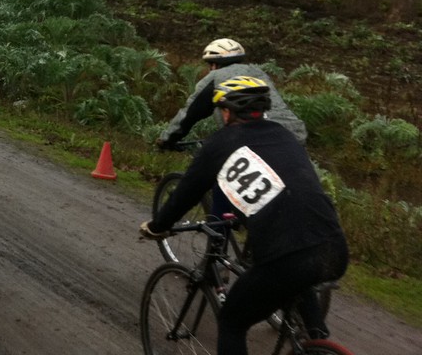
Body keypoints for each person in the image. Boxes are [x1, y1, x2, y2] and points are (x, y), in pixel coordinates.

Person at [141, 77, 348, 353]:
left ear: (227, 113)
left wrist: (157, 226)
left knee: (232, 321)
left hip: (286, 255)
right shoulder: (284, 135)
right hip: (334, 246)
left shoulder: (220, 143)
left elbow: (185, 194)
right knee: (301, 277)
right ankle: (318, 341)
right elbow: (286, 189)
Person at [159, 38, 307, 149]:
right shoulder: (258, 73)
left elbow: (190, 114)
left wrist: (167, 139)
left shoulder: (215, 77)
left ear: (213, 64)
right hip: (294, 133)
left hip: (248, 138)